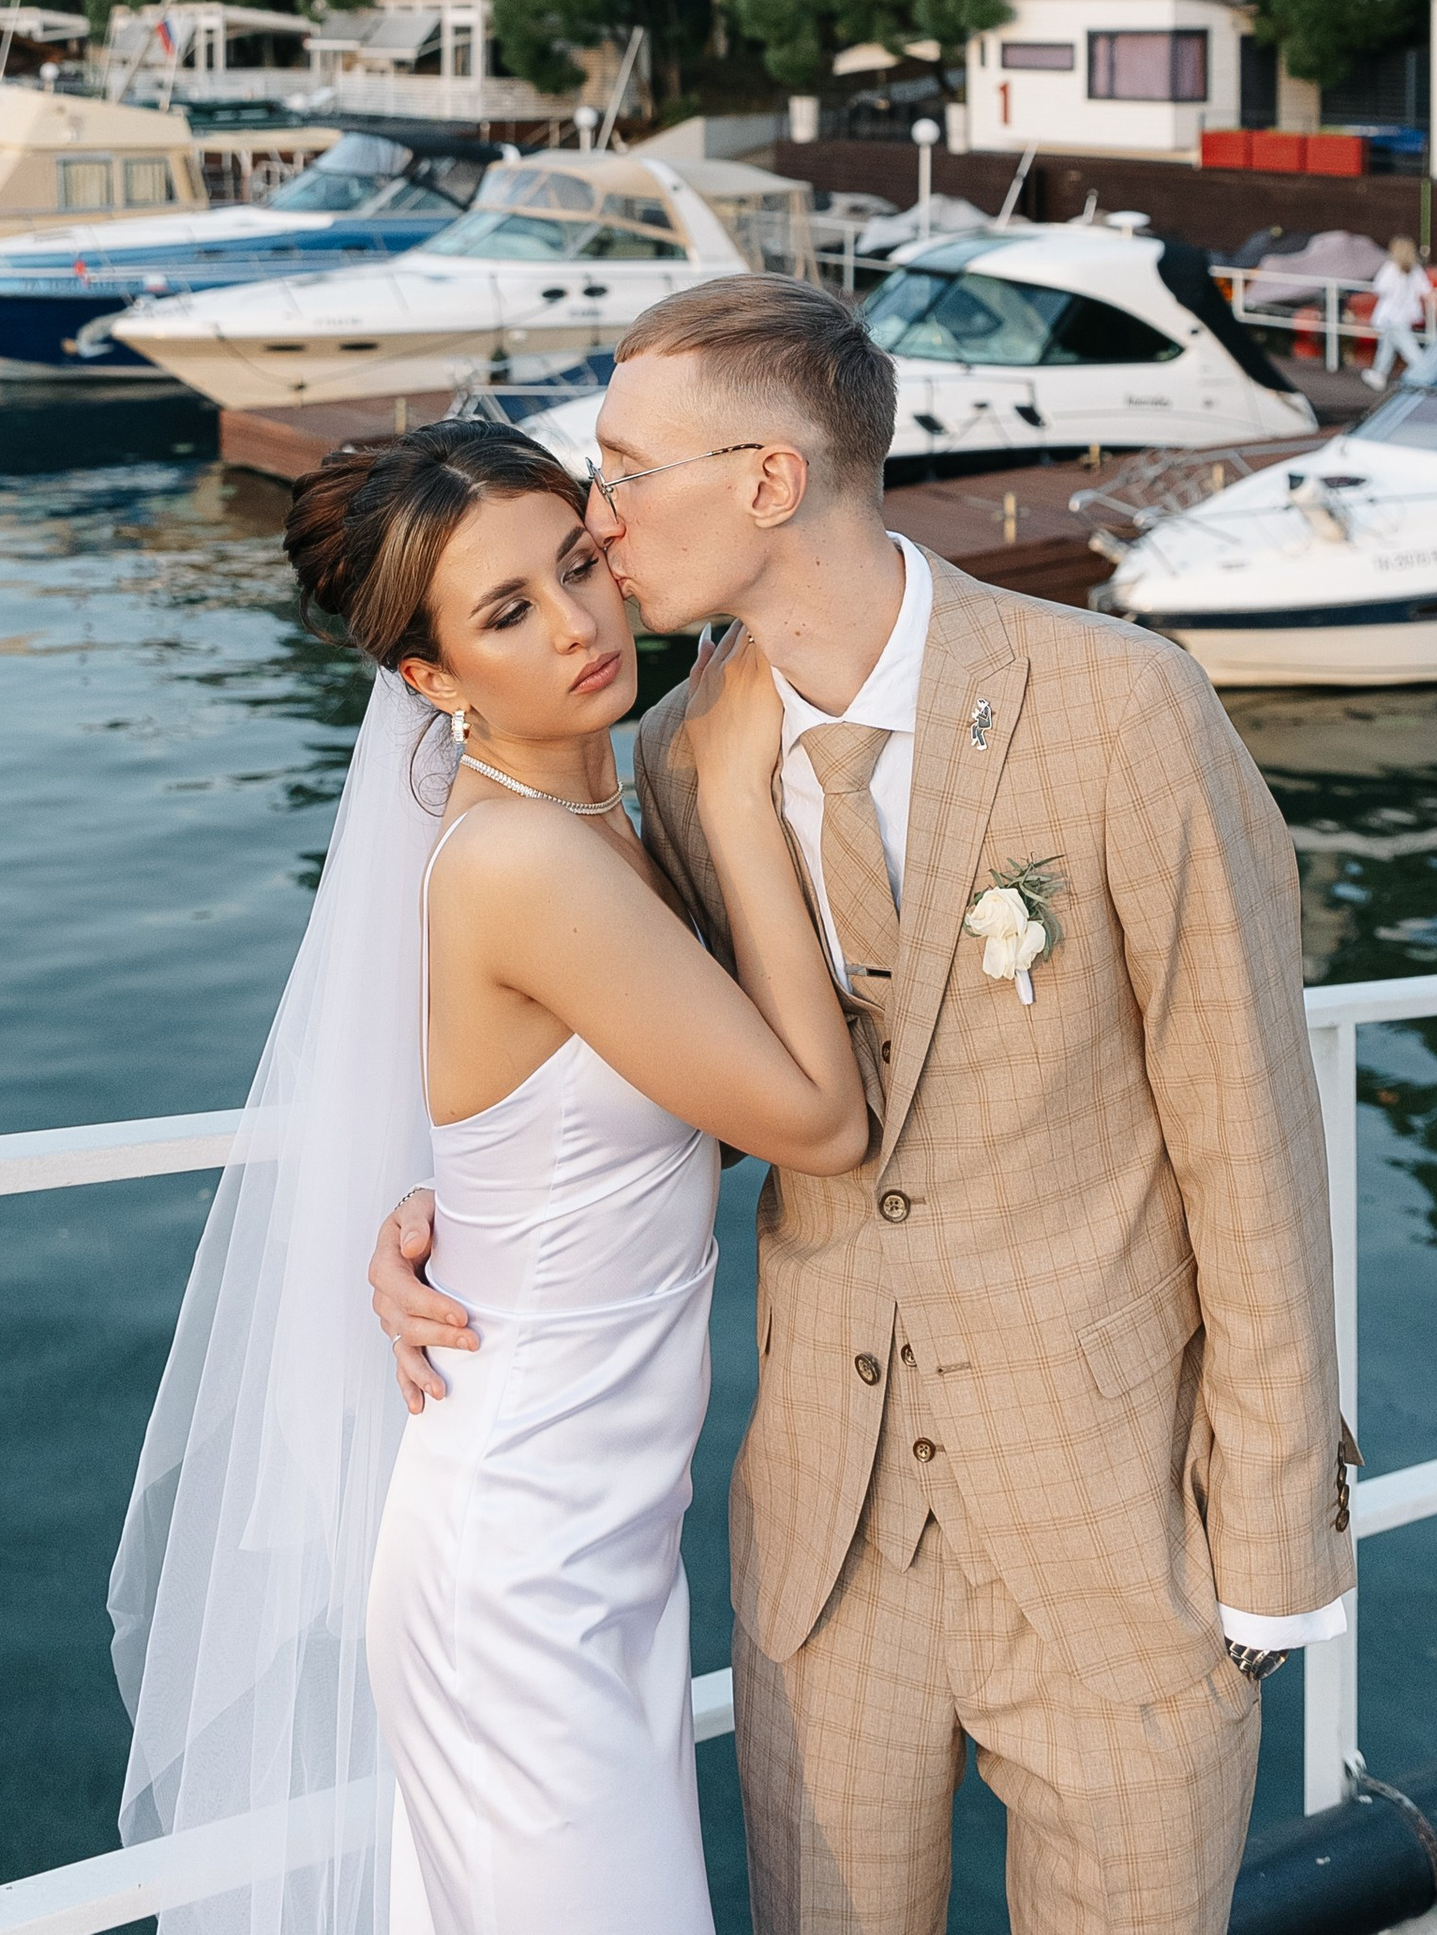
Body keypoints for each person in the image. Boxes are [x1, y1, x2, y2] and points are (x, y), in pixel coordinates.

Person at [374, 277, 1354, 1935]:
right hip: (823, 1563)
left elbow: (1250, 1139)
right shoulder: (670, 765)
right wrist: (419, 1222)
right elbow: (585, 1052)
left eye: (621, 474)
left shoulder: (1120, 706)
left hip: (1119, 1547)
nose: (598, 530)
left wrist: (1270, 1552)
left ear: (766, 482)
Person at [109, 416, 865, 1935]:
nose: (581, 623)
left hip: (591, 1542)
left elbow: (613, 1117)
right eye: (508, 612)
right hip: (521, 1570)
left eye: (580, 562)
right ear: (431, 680)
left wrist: (440, 1217)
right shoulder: (533, 861)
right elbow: (820, 1122)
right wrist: (731, 797)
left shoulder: (594, 809)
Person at [1366, 234, 1437, 386]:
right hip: (1404, 315)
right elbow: (1426, 290)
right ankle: (1378, 374)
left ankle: (1425, 374)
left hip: (1390, 316)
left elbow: (1379, 288)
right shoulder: (1415, 270)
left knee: (1408, 349)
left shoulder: (1390, 268)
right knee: (1387, 346)